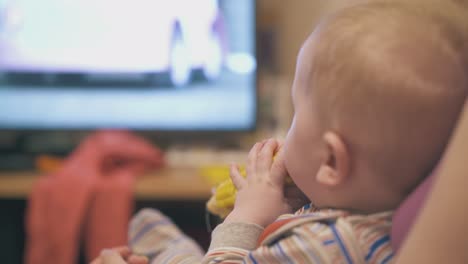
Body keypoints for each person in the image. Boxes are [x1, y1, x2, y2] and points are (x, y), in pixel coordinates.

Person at [91, 1, 468, 263]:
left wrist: (246, 217)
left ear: (332, 161)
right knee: (152, 226)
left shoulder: (323, 246)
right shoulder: (379, 217)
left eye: (295, 113)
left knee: (149, 230)